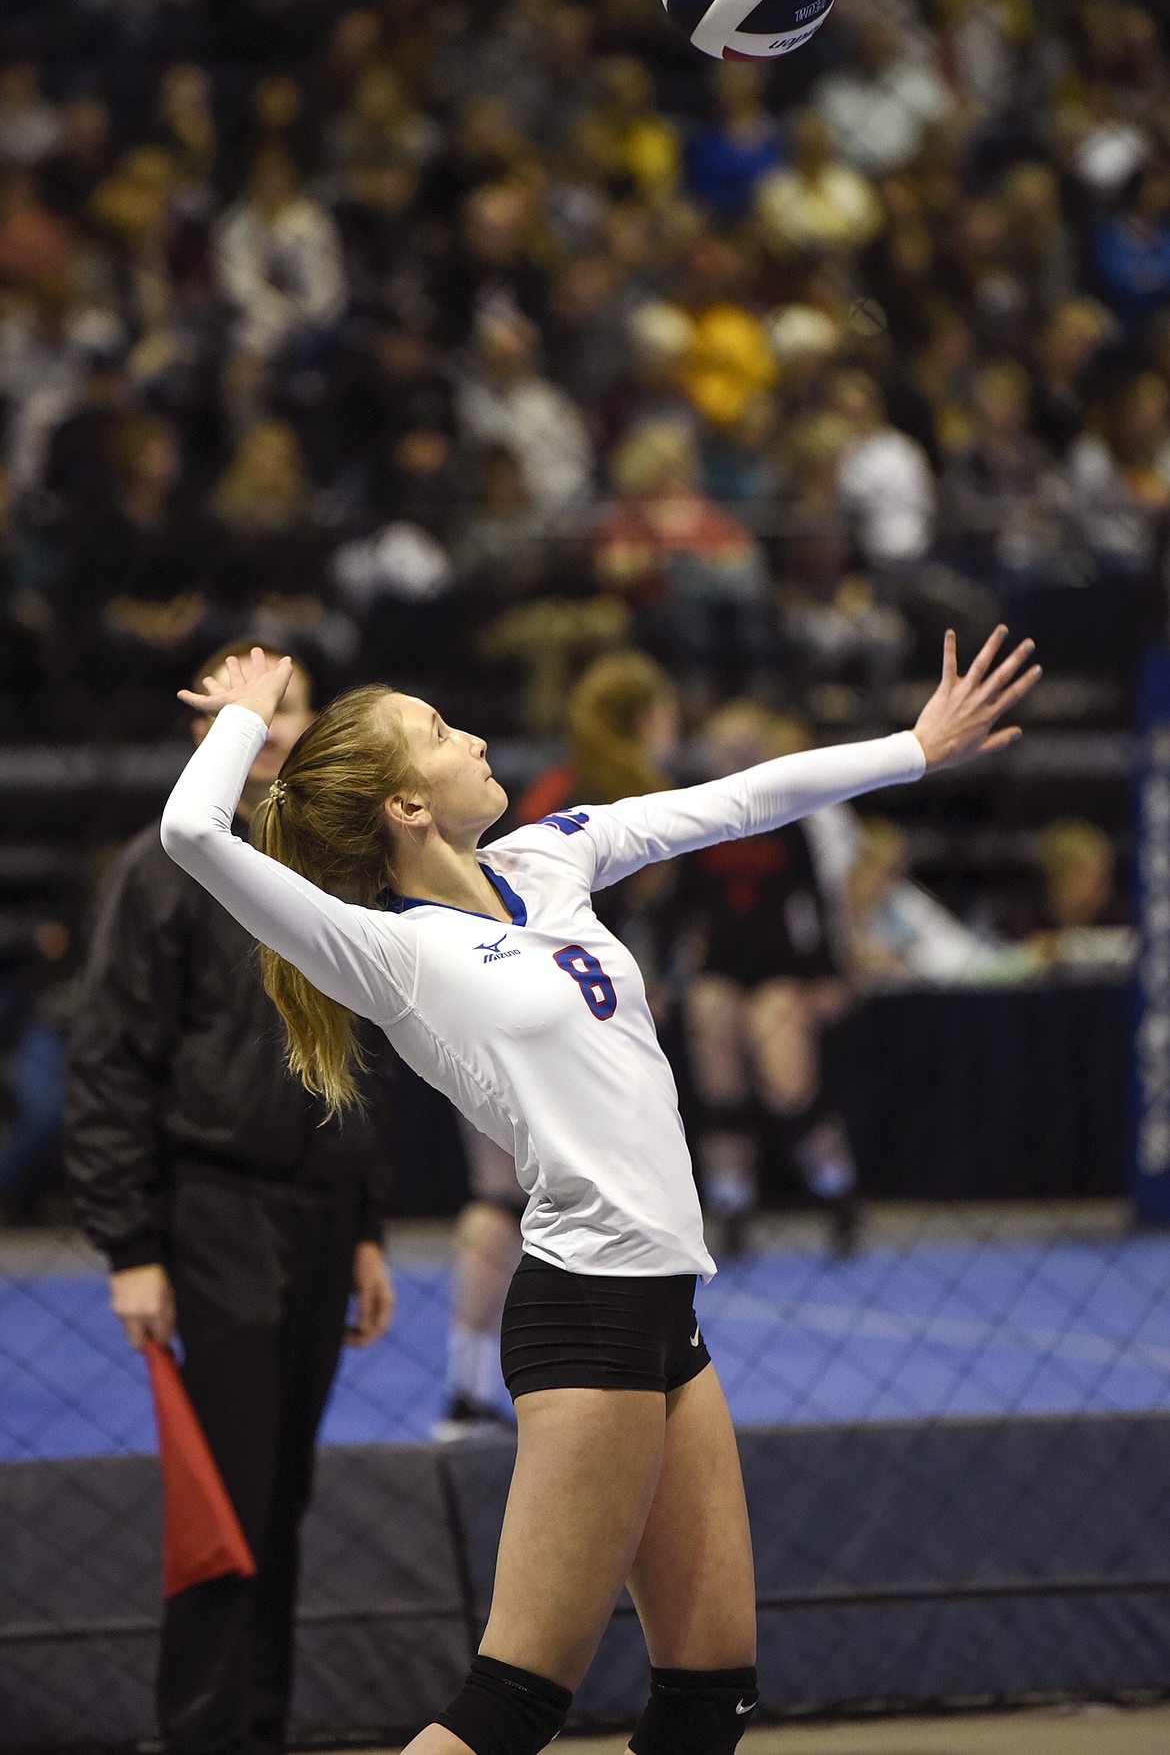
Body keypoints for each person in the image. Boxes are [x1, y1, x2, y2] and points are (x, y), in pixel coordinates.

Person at [158, 623, 1038, 1755]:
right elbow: (192, 829)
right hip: (589, 1308)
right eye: (436, 732)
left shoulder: (548, 856)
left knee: (710, 1692)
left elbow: (731, 801)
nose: (472, 735)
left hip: (664, 1310)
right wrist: (245, 707)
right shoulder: (385, 951)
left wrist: (911, 748)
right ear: (405, 809)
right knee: (512, 1701)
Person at [63, 640, 395, 1755]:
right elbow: (110, 1059)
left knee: (283, 1498)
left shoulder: (335, 867)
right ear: (213, 725)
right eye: (258, 709)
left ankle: (259, 1725)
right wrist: (130, 1246)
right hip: (214, 1212)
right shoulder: (159, 871)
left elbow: (352, 1063)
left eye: (294, 706)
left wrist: (363, 1228)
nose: (280, 725)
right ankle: (203, 1733)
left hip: (314, 1215)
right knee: (227, 1504)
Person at [436, 651, 680, 1437]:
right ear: (647, 718)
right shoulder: (626, 796)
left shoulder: (551, 791)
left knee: (505, 1201)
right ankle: (580, 1384)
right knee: (555, 1205)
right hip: (553, 1024)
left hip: (486, 999)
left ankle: (470, 1384)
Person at [680, 702, 860, 1259]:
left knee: (788, 1083)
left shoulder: (788, 819)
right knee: (716, 1054)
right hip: (721, 970)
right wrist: (655, 975)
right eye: (726, 749)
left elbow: (821, 906)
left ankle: (838, 1193)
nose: (736, 758)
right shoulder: (694, 816)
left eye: (747, 748)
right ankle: (731, 1203)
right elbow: (674, 909)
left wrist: (834, 976)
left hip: (781, 969)